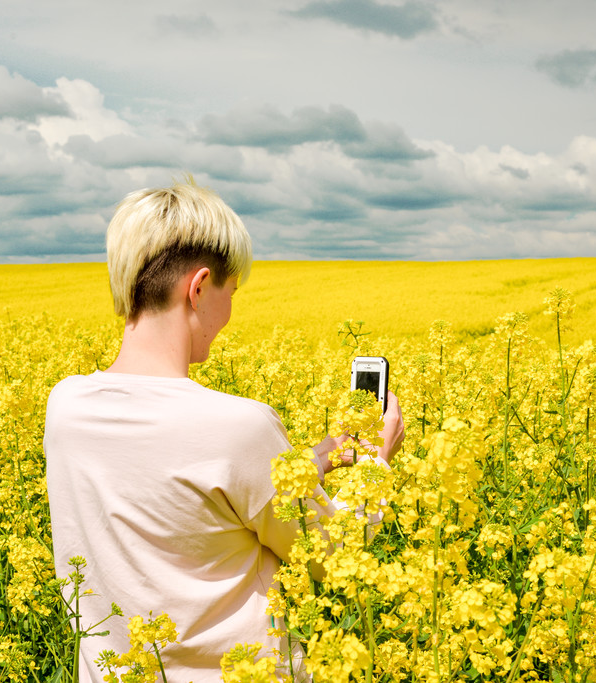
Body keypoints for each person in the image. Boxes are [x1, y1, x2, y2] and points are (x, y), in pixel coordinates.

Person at [44, 179, 404, 682]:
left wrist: (308, 461)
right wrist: (379, 462)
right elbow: (332, 558)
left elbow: (179, 485)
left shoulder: (65, 406)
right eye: (230, 292)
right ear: (198, 287)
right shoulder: (240, 427)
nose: (230, 311)